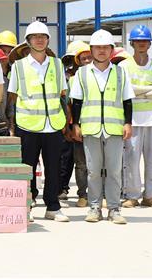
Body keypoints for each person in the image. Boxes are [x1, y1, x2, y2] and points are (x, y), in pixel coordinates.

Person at [7, 21, 70, 223]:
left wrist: (66, 122)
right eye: (35, 37)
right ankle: (27, 204)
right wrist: (11, 126)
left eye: (43, 36)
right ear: (28, 41)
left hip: (53, 124)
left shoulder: (57, 64)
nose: (39, 40)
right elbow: (12, 98)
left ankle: (53, 207)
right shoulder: (18, 67)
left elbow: (63, 95)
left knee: (53, 167)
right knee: (28, 168)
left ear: (48, 40)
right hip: (27, 125)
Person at [70, 29, 134, 224]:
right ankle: (94, 208)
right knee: (93, 170)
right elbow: (77, 102)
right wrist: (76, 124)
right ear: (91, 50)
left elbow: (127, 101)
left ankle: (114, 209)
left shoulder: (121, 73)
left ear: (111, 50)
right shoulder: (82, 73)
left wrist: (128, 123)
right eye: (97, 47)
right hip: (90, 129)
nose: (101, 51)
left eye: (106, 47)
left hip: (115, 129)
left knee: (114, 170)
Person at [120, 25, 152, 208]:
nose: (141, 43)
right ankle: (132, 195)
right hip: (132, 120)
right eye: (138, 41)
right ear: (132, 43)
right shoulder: (124, 66)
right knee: (132, 159)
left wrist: (137, 92)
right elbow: (126, 90)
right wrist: (151, 89)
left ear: (149, 44)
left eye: (145, 41)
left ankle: (151, 195)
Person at [59, 41, 92, 207]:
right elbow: (68, 104)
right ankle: (79, 193)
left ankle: (98, 194)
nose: (86, 61)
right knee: (75, 162)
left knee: (97, 164)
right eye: (81, 58)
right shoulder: (70, 80)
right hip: (75, 126)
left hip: (95, 125)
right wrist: (69, 126)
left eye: (88, 58)